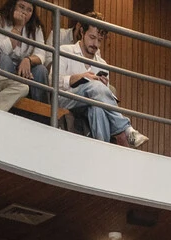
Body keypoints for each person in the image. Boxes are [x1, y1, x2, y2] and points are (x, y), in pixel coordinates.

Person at [59, 20, 150, 149]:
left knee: (98, 109)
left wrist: (103, 87)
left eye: (99, 40)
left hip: (90, 105)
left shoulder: (102, 64)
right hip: (66, 99)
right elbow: (53, 81)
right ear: (82, 32)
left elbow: (103, 99)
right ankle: (126, 129)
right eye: (92, 37)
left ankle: (102, 150)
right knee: (95, 86)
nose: (95, 44)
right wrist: (79, 77)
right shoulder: (65, 50)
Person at [0, 0, 54, 111]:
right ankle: (5, 107)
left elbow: (41, 54)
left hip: (25, 71)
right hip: (4, 65)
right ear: (13, 5)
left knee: (41, 70)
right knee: (5, 59)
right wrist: (18, 26)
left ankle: (42, 113)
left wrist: (28, 60)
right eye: (21, 7)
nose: (24, 12)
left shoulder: (36, 27)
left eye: (29, 10)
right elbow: (1, 50)